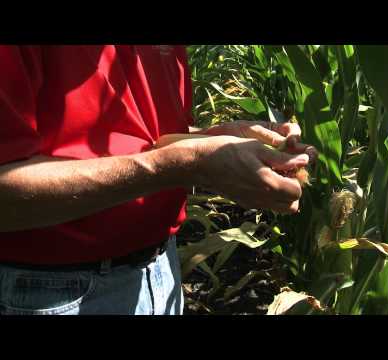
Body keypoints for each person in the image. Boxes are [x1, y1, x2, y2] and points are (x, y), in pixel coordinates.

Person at [0, 45, 314, 315]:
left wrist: (210, 140)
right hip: (49, 289)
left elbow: (135, 139)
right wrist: (188, 162)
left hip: (160, 269)